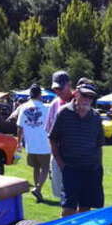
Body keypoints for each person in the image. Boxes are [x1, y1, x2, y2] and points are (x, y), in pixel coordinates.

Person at [48, 79, 104, 217]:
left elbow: (99, 145)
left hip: (90, 169)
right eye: (85, 95)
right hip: (70, 168)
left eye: (91, 97)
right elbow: (53, 139)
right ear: (77, 94)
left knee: (85, 208)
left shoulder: (96, 117)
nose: (87, 99)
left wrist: (98, 167)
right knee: (68, 208)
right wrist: (61, 164)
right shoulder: (63, 113)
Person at [16, 84, 51, 202]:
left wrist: (18, 142)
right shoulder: (46, 108)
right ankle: (38, 188)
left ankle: (38, 192)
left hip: (30, 144)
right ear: (40, 94)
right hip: (43, 143)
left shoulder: (23, 107)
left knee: (36, 167)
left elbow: (19, 127)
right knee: (45, 167)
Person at [45, 70, 73, 201]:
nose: (58, 91)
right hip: (58, 156)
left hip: (76, 157)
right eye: (55, 88)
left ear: (69, 85)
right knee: (62, 196)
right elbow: (49, 132)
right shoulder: (54, 104)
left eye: (61, 88)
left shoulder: (79, 102)